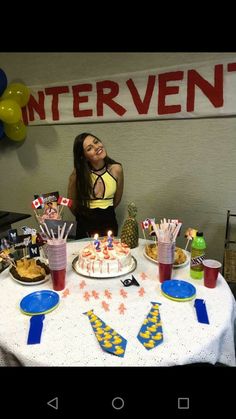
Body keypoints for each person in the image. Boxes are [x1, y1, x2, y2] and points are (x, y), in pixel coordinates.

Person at [67, 133, 124, 239]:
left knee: (109, 253)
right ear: (83, 156)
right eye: (89, 148)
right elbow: (71, 202)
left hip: (109, 221)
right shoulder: (77, 174)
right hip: (85, 225)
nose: (97, 147)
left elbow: (117, 199)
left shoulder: (117, 169)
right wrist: (83, 215)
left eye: (96, 142)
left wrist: (105, 210)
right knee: (87, 254)